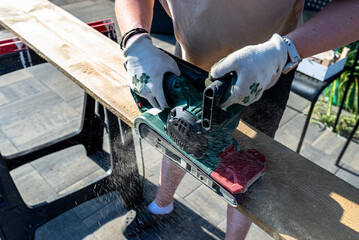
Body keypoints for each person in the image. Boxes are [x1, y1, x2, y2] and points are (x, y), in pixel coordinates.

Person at [115, 0, 359, 239]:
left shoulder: (270, 63)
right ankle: (162, 205)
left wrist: (285, 50)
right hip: (190, 55)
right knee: (178, 140)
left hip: (265, 68)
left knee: (247, 174)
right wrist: (135, 40)